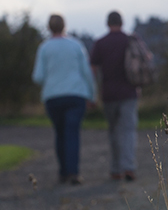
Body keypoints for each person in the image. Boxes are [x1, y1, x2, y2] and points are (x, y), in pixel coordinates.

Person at [32, 14, 96, 185]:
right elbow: (87, 73)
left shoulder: (44, 48)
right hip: (76, 95)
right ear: (64, 26)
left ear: (49, 27)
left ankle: (63, 172)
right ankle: (73, 172)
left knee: (60, 133)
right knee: (72, 133)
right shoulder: (76, 46)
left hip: (53, 97)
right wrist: (92, 95)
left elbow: (38, 76)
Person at [90, 11, 139, 181]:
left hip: (109, 94)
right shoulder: (130, 40)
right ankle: (129, 167)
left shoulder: (100, 43)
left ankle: (116, 168)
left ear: (107, 23)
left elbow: (93, 69)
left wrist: (93, 94)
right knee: (128, 130)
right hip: (129, 92)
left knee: (114, 131)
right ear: (122, 22)